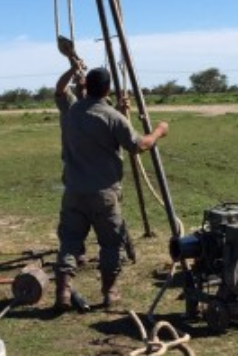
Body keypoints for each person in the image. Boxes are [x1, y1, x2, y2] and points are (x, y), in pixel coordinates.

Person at [53, 64, 169, 312]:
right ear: (107, 88)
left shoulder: (71, 111)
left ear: (86, 86)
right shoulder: (113, 117)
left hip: (73, 191)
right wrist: (159, 131)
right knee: (111, 244)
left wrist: (71, 70)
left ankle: (63, 291)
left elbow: (60, 89)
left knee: (70, 242)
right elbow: (139, 145)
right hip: (104, 194)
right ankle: (109, 292)